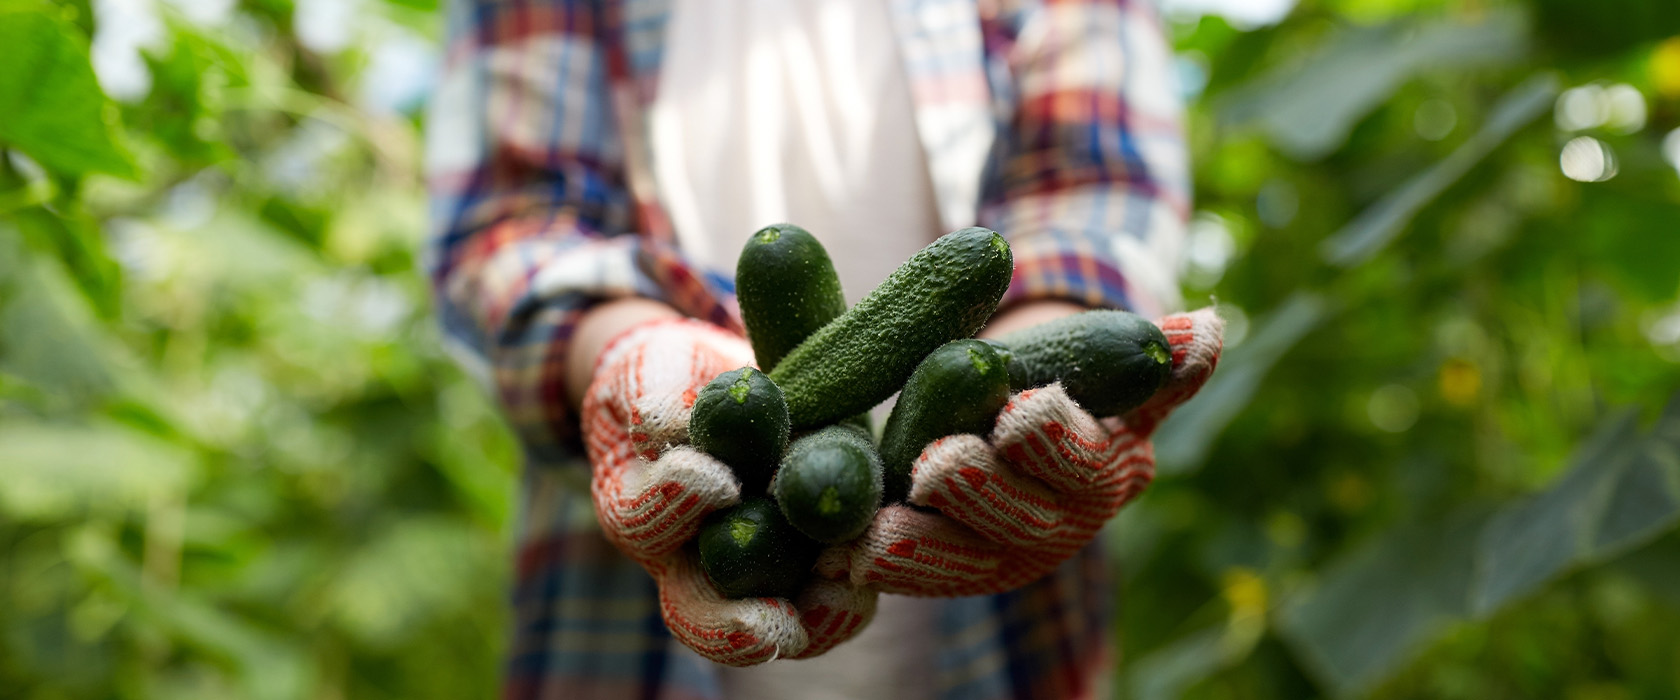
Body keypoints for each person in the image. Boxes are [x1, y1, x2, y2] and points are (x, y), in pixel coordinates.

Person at [425, 0, 1222, 698]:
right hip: (620, 630)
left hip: (1008, 649)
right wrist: (624, 349)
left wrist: (1040, 345)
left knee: (956, 375)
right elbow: (509, 226)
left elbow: (1095, 189)